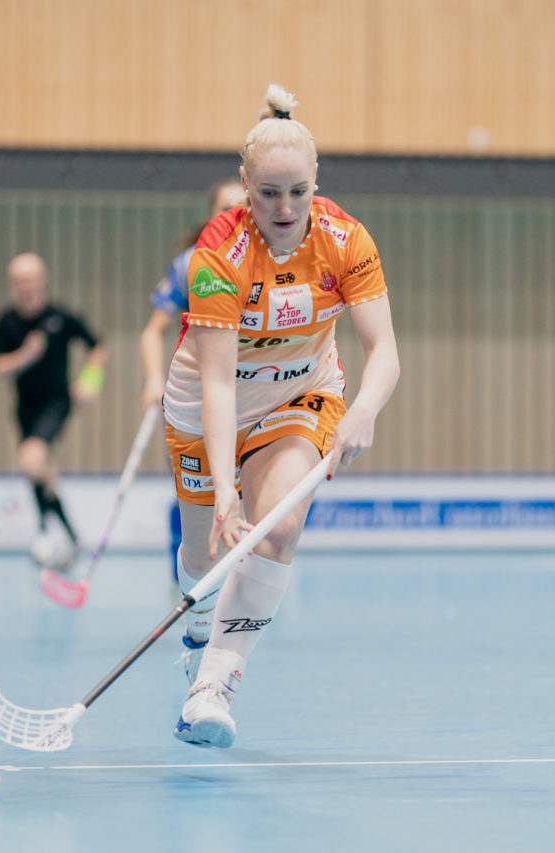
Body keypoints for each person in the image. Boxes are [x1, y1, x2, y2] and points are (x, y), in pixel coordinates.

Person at [162, 84, 401, 748]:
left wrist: (364, 408)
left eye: (298, 191)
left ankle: (213, 687)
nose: (285, 208)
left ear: (317, 179)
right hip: (206, 404)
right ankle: (199, 627)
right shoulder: (218, 256)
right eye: (268, 193)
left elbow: (384, 350)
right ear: (244, 185)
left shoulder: (347, 240)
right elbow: (216, 381)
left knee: (277, 528)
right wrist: (224, 488)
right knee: (204, 551)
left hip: (300, 396)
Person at [140, 178, 248, 580]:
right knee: (195, 487)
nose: (235, 215)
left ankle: (243, 576)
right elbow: (152, 331)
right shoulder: (192, 263)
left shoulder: (270, 257)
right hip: (201, 392)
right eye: (225, 208)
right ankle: (186, 574)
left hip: (253, 391)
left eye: (241, 207)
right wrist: (154, 379)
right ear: (211, 215)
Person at [0, 252, 108, 561]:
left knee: (31, 460)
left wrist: (90, 381)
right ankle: (69, 535)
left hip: (57, 402)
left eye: (29, 280)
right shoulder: (7, 321)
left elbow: (97, 346)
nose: (24, 286)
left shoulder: (61, 317)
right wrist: (24, 356)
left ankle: (44, 532)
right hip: (24, 405)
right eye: (18, 281)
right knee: (39, 471)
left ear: (42, 281)